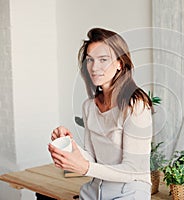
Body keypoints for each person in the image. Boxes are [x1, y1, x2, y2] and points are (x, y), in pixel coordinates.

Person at [48, 28, 153, 200]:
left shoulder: (135, 105)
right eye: (90, 60)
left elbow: (133, 169)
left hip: (129, 191)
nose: (94, 67)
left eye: (103, 59)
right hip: (94, 191)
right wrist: (69, 144)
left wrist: (85, 168)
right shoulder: (89, 106)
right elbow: (92, 158)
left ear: (120, 63)